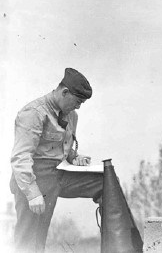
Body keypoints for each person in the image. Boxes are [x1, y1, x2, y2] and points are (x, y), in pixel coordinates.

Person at [10, 68, 103, 252]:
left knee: (105, 183)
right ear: (65, 92)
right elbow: (20, 157)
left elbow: (65, 150)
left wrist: (75, 159)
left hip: (56, 176)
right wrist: (32, 193)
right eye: (77, 102)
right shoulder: (33, 113)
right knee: (29, 239)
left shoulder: (71, 116)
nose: (78, 107)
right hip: (32, 178)